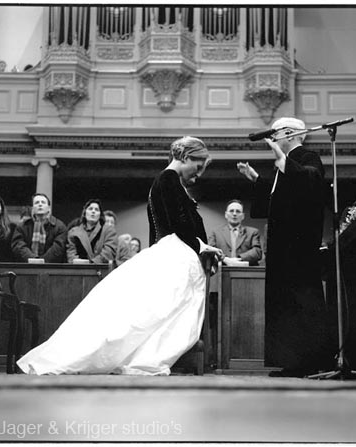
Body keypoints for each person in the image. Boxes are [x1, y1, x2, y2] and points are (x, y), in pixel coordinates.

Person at [17, 136, 223, 375]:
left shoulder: (166, 181)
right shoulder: (169, 179)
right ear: (186, 157)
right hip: (174, 253)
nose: (198, 175)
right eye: (198, 167)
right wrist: (202, 246)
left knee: (149, 312)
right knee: (146, 313)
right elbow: (179, 222)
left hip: (170, 251)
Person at [237, 117, 331, 377]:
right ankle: (293, 362)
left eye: (276, 133)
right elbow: (279, 203)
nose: (273, 138)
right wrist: (257, 180)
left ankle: (308, 361)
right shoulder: (285, 165)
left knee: (300, 302)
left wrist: (285, 161)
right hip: (284, 247)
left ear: (289, 134)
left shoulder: (308, 157)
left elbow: (312, 183)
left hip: (299, 249)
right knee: (285, 303)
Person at [11, 193, 67, 263]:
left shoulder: (59, 227)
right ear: (32, 208)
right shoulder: (22, 226)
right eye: (37, 203)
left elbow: (58, 248)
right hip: (27, 266)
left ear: (49, 207)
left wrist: (42, 261)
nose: (40, 204)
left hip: (52, 267)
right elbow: (18, 246)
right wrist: (33, 259)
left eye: (43, 202)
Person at [208, 199, 262, 266]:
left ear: (243, 216)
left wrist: (239, 258)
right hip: (222, 271)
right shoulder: (215, 232)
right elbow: (210, 251)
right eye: (231, 211)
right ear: (226, 215)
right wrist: (225, 259)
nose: (234, 214)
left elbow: (257, 252)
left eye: (238, 211)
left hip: (245, 271)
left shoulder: (253, 232)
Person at [66, 199, 117, 264]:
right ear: (84, 213)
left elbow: (109, 252)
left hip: (100, 270)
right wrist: (77, 262)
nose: (93, 211)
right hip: (79, 270)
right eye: (90, 209)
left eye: (96, 209)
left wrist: (91, 263)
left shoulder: (108, 231)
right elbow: (71, 253)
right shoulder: (73, 232)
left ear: (100, 214)